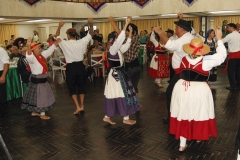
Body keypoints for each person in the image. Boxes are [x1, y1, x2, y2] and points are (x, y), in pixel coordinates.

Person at [169, 28, 226, 152]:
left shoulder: (182, 59)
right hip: (199, 90)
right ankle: (198, 135)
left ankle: (182, 144)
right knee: (199, 113)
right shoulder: (206, 61)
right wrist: (219, 40)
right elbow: (222, 56)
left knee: (184, 113)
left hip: (182, 89)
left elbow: (176, 68)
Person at [153, 12, 194, 124]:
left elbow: (170, 45)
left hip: (181, 73)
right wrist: (181, 19)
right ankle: (179, 116)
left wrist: (160, 32)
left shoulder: (183, 40)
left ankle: (173, 118)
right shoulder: (190, 36)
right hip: (185, 72)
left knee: (170, 93)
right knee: (179, 94)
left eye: (176, 27)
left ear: (181, 29)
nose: (175, 29)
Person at [103, 17, 140, 125]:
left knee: (115, 94)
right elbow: (120, 40)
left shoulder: (117, 50)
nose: (114, 41)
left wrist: (130, 33)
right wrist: (126, 24)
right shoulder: (113, 49)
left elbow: (126, 44)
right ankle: (125, 118)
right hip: (116, 75)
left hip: (118, 74)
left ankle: (107, 116)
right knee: (121, 94)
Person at [56, 18, 93, 115]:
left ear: (68, 35)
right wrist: (90, 23)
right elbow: (91, 34)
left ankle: (77, 107)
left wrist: (59, 26)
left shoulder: (65, 43)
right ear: (75, 35)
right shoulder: (81, 42)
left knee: (72, 88)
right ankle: (82, 105)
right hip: (80, 66)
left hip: (71, 68)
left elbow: (57, 37)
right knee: (81, 87)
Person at [21, 37, 59, 120]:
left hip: (42, 80)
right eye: (38, 48)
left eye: (40, 48)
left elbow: (49, 51)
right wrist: (29, 45)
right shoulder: (33, 59)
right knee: (42, 97)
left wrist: (55, 44)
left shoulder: (42, 56)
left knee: (37, 97)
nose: (40, 49)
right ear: (33, 50)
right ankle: (42, 114)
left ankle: (35, 112)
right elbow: (29, 56)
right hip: (38, 80)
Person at [222, 23, 240, 91]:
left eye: (228, 28)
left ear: (232, 27)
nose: (228, 29)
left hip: (233, 55)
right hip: (239, 55)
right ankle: (238, 84)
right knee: (238, 70)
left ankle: (233, 86)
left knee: (231, 71)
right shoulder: (239, 34)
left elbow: (222, 41)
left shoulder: (230, 35)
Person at [0, 47, 9, 117]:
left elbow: (6, 64)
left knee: (1, 93)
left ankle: (2, 112)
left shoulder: (1, 50)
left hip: (0, 72)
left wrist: (3, 76)